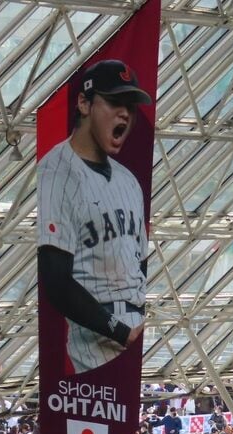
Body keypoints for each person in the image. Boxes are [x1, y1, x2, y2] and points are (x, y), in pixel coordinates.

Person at [36, 58, 150, 375]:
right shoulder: (55, 172)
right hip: (97, 339)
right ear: (84, 103)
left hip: (136, 328)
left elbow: (141, 263)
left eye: (130, 106)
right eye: (114, 102)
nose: (125, 113)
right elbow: (56, 281)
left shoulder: (129, 181)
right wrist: (121, 332)